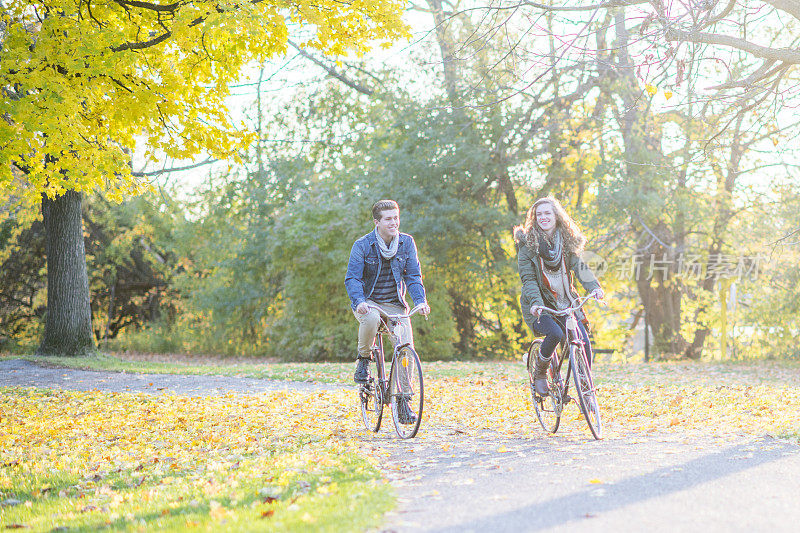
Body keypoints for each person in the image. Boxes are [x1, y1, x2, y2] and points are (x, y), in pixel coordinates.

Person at [345, 200, 431, 423]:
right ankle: (363, 359)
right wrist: (359, 301)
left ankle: (402, 401)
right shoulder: (363, 245)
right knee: (372, 318)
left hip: (395, 304)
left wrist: (421, 301)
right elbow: (352, 278)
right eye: (388, 219)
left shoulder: (406, 243)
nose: (394, 222)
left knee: (405, 346)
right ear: (377, 222)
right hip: (368, 302)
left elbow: (413, 276)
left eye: (396, 217)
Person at [514, 196, 604, 396]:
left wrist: (594, 288)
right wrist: (536, 304)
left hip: (565, 304)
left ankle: (586, 389)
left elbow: (580, 268)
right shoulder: (527, 246)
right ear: (534, 218)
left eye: (547, 213)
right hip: (540, 307)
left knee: (583, 342)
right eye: (539, 214)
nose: (543, 217)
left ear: (556, 216)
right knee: (555, 334)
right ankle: (539, 372)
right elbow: (528, 280)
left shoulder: (566, 241)